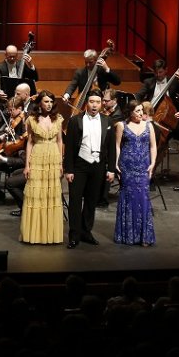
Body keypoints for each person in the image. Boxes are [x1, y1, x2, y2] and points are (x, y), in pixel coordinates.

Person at [63, 91, 117, 249]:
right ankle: (74, 235)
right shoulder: (75, 121)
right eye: (92, 101)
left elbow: (111, 148)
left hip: (98, 166)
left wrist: (111, 169)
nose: (94, 105)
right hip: (79, 166)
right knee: (74, 200)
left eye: (98, 102)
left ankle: (86, 232)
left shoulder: (107, 121)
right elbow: (70, 148)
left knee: (91, 201)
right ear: (87, 103)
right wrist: (69, 170)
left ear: (102, 104)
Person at [20, 91, 64, 244]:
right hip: (37, 157)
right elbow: (30, 142)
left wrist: (60, 163)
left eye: (51, 101)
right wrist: (27, 165)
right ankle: (35, 234)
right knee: (36, 194)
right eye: (46, 101)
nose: (49, 104)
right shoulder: (31, 120)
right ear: (39, 103)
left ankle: (51, 235)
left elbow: (59, 141)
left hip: (53, 157)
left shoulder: (58, 119)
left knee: (51, 195)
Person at [114, 101, 156, 247]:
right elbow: (117, 146)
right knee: (128, 198)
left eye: (141, 111)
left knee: (143, 198)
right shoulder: (121, 126)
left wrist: (152, 163)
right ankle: (128, 235)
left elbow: (153, 146)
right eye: (137, 111)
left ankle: (145, 236)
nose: (140, 114)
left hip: (143, 166)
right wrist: (116, 163)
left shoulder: (149, 125)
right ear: (130, 112)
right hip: (127, 167)